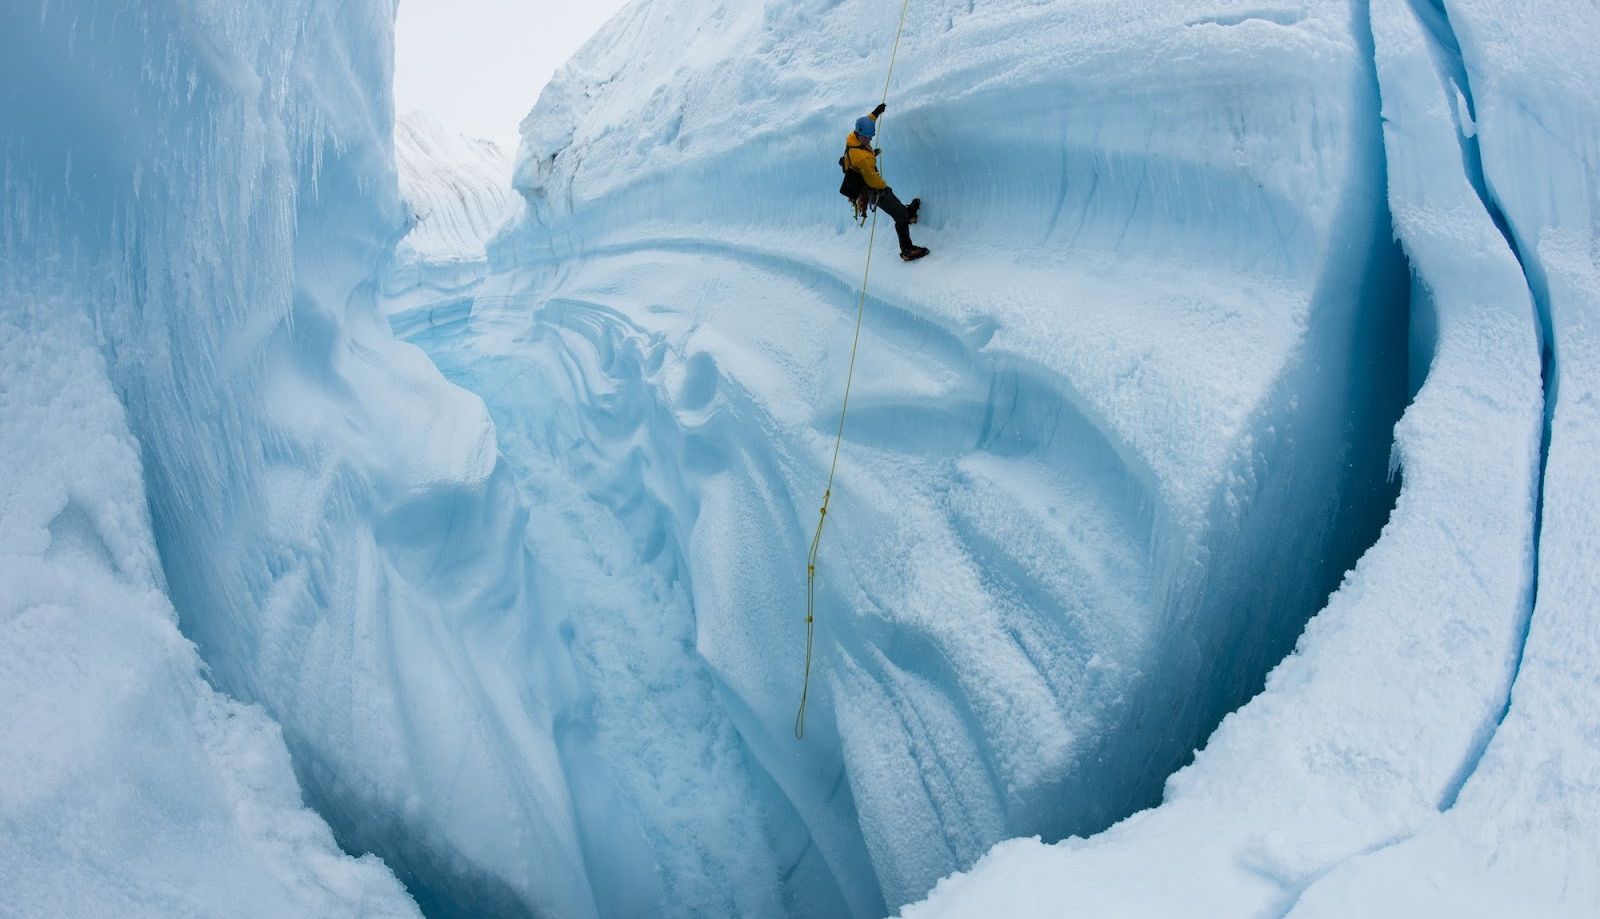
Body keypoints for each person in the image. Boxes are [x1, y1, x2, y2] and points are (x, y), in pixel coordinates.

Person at [845, 103, 928, 261]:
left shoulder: (854, 136)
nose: (870, 139)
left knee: (891, 198)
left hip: (867, 181)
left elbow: (868, 120)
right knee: (897, 214)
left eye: (871, 137)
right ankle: (907, 250)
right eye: (867, 137)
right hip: (870, 190)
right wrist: (883, 186)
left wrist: (876, 112)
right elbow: (872, 180)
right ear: (860, 134)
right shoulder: (861, 157)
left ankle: (908, 214)